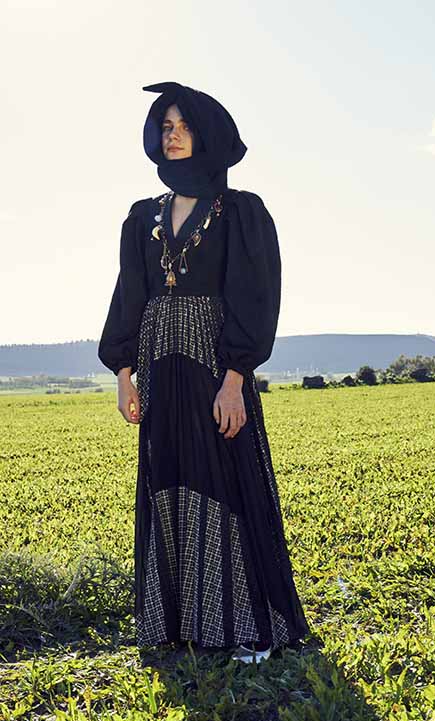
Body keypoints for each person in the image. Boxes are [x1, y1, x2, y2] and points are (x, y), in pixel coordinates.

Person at [98, 81, 311, 664]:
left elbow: (255, 297)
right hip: (157, 365)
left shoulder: (240, 212)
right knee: (168, 479)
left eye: (183, 126)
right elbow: (129, 295)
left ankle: (241, 623)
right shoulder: (142, 216)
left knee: (223, 482)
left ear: (207, 134)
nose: (172, 136)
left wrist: (236, 379)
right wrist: (123, 372)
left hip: (213, 365)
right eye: (165, 126)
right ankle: (180, 623)